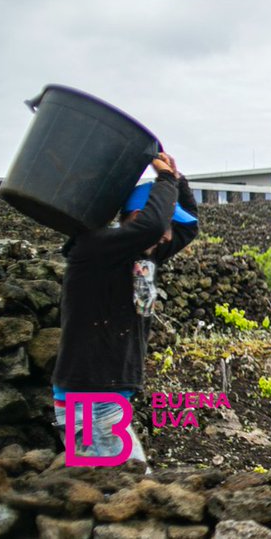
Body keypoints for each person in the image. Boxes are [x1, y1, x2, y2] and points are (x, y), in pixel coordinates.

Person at [52, 153, 199, 467]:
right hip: (89, 399)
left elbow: (190, 228)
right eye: (166, 224)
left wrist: (178, 179)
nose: (169, 234)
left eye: (171, 227)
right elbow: (154, 225)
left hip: (108, 396)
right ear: (135, 218)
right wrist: (165, 181)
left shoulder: (146, 255)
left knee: (118, 495)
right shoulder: (98, 248)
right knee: (117, 494)